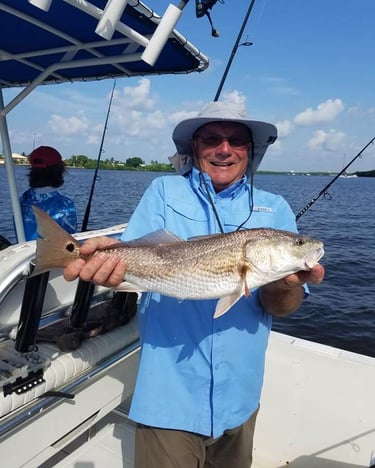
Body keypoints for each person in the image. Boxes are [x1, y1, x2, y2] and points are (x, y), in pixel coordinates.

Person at [63, 101, 325, 467]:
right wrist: (106, 267)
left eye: (237, 141)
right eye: (212, 139)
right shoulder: (163, 191)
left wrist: (286, 285)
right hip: (170, 397)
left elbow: (282, 307)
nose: (224, 149)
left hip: (241, 397)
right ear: (194, 147)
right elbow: (137, 254)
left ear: (251, 152)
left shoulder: (275, 208)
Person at [20, 145, 77, 241]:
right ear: (59, 171)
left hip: (22, 254)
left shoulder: (21, 201)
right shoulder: (65, 205)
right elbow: (69, 241)